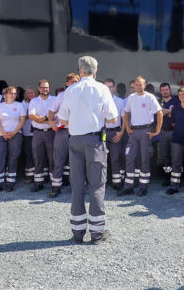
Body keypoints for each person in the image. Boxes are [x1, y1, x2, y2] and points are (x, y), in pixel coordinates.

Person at [57, 56, 118, 244]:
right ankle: (97, 233)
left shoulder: (70, 90)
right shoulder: (102, 89)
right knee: (97, 186)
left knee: (76, 185)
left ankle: (77, 232)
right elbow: (113, 119)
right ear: (96, 70)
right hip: (95, 141)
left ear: (80, 70)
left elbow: (63, 120)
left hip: (75, 140)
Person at [119, 76, 162, 197]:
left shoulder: (149, 97)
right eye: (136, 84)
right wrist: (127, 126)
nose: (138, 86)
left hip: (145, 131)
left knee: (144, 159)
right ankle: (128, 187)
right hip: (134, 132)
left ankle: (143, 187)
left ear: (144, 85)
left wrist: (157, 130)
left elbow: (159, 113)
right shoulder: (131, 98)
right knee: (129, 157)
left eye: (140, 84)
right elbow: (126, 113)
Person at [48, 73, 80, 198]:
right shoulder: (62, 95)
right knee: (59, 159)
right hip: (62, 131)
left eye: (76, 81)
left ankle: (75, 188)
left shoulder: (81, 95)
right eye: (72, 82)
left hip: (77, 131)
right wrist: (51, 123)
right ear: (67, 83)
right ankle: (55, 187)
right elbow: (51, 111)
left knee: (76, 160)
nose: (74, 83)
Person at [0, 86, 26, 193]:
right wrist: (3, 133)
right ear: (5, 95)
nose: (13, 95)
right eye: (11, 93)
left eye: (15, 93)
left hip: (15, 134)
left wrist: (14, 132)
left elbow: (22, 120)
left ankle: (10, 182)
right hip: (0, 135)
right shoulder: (0, 106)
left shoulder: (19, 105)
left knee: (13, 158)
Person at [29, 80, 56, 192]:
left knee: (52, 158)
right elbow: (32, 116)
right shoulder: (34, 101)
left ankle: (54, 183)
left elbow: (56, 116)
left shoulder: (54, 99)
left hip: (51, 133)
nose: (45, 89)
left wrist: (44, 118)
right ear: (39, 88)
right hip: (38, 133)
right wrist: (48, 120)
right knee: (38, 157)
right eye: (43, 87)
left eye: (47, 87)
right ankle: (38, 182)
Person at [103, 78, 127, 191]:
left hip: (115, 132)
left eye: (110, 86)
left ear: (114, 87)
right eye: (106, 86)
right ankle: (103, 181)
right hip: (103, 132)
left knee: (115, 158)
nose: (108, 89)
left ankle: (116, 182)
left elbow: (124, 119)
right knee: (102, 158)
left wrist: (121, 133)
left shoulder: (120, 102)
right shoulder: (100, 101)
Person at [157, 83, 179, 186]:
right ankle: (167, 177)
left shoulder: (176, 101)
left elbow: (177, 113)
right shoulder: (157, 102)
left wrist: (164, 112)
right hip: (162, 132)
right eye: (163, 90)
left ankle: (176, 179)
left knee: (175, 156)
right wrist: (169, 111)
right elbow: (156, 112)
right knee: (164, 156)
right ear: (160, 91)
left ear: (170, 90)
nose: (165, 91)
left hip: (173, 132)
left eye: (166, 90)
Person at [21, 86, 37, 184]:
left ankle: (40, 174)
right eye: (29, 93)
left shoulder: (38, 101)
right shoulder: (23, 104)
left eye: (32, 92)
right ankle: (29, 175)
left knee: (38, 153)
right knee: (29, 153)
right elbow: (23, 117)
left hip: (37, 131)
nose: (31, 94)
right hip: (27, 131)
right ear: (26, 95)